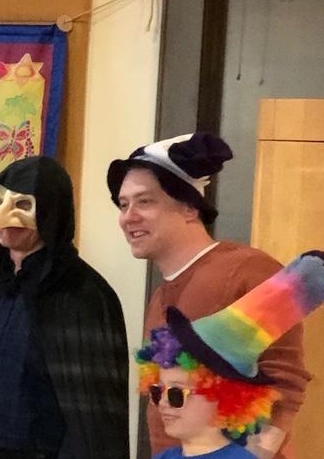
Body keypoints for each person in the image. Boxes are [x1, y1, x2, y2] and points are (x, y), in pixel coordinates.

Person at [108, 133, 309, 459]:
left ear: (189, 208)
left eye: (144, 201)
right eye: (123, 204)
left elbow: (286, 383)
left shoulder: (248, 270)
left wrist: (255, 454)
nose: (128, 216)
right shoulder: (160, 296)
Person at [0, 156, 128, 459]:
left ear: (51, 212)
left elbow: (92, 421)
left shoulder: (82, 295)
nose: (4, 215)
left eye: (23, 205)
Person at [135, 251, 324, 459]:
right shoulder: (166, 456)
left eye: (175, 394)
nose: (162, 402)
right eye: (156, 391)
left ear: (224, 398)